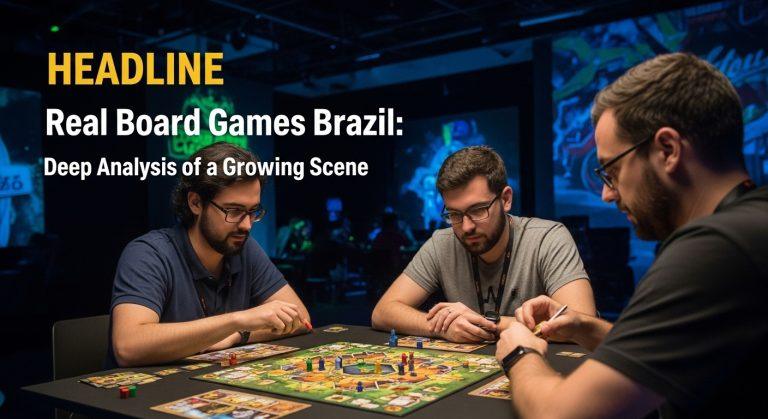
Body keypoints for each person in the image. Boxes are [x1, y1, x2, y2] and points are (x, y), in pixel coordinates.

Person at [495, 52, 768, 418]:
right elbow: (680, 349)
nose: (607, 193)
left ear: (667, 150)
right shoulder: (750, 224)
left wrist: (519, 352)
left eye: (612, 170)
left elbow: (557, 414)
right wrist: (587, 328)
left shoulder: (716, 249)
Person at [108, 142, 310, 367]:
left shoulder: (244, 248)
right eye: (233, 211)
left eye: (253, 212)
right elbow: (128, 346)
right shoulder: (149, 254)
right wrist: (237, 320)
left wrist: (239, 334)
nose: (247, 225)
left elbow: (301, 320)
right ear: (195, 203)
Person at [372, 146, 595, 343]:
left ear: (506, 199)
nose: (466, 226)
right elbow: (382, 312)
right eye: (454, 214)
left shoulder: (548, 238)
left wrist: (484, 323)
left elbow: (582, 324)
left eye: (478, 210)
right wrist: (442, 327)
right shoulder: (442, 243)